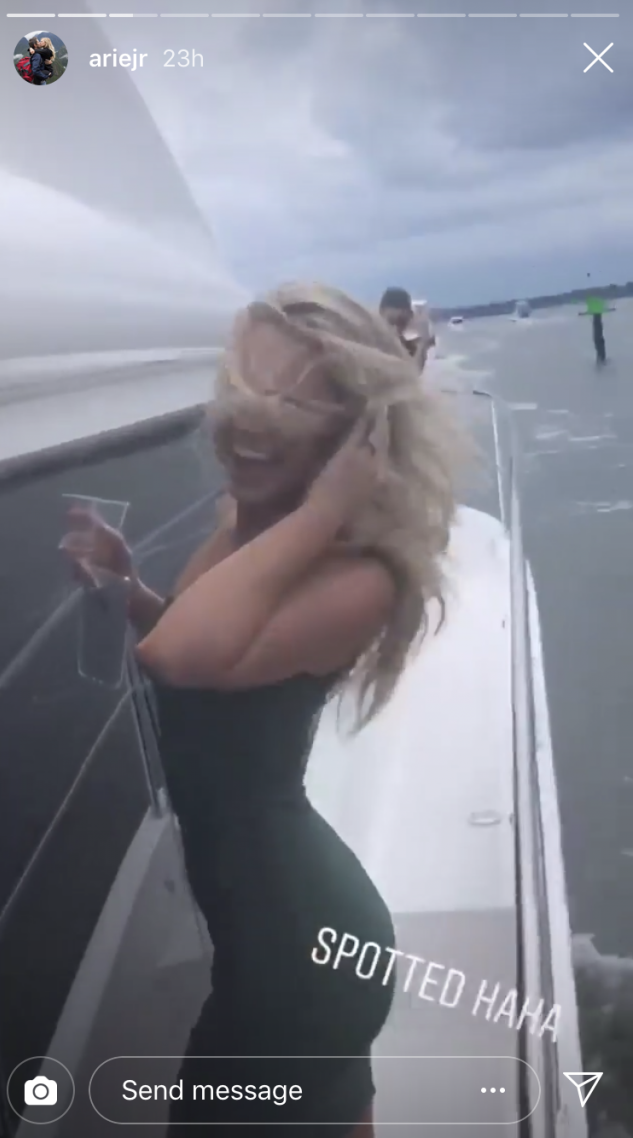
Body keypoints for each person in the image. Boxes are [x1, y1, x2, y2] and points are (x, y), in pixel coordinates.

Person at [61, 283, 463, 1137]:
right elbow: (191, 639)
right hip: (272, 930)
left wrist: (327, 508)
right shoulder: (250, 524)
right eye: (240, 393)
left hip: (299, 946)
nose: (248, 426)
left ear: (355, 434)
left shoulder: (360, 576)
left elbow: (180, 657)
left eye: (287, 407)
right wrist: (132, 588)